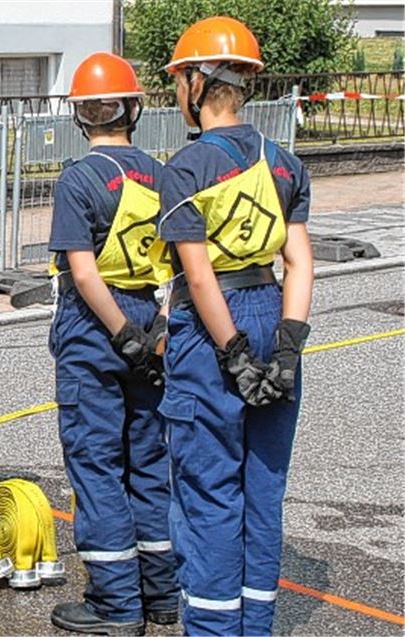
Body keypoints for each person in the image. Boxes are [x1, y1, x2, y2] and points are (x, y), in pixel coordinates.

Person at [157, 16, 314, 636]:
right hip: (275, 313)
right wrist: (287, 350)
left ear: (197, 81)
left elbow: (197, 278)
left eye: (178, 80)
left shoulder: (186, 168)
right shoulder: (284, 163)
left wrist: (235, 354)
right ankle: (256, 626)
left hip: (212, 330)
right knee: (262, 491)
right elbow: (298, 261)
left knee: (209, 496)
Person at [45, 52, 179, 636]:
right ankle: (161, 593)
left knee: (97, 464)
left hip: (95, 329)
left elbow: (82, 270)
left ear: (81, 116)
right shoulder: (161, 173)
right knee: (149, 460)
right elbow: (180, 261)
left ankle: (116, 604)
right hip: (152, 318)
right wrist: (153, 332)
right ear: (135, 108)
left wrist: (119, 333)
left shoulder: (78, 179)